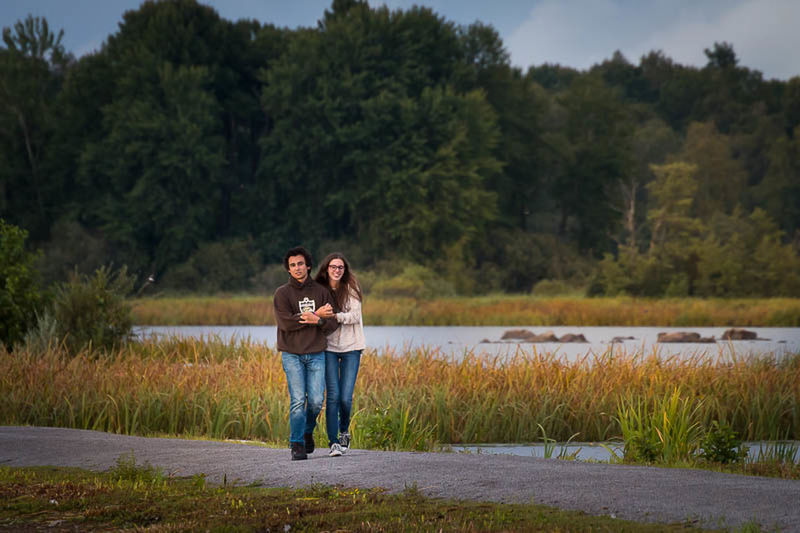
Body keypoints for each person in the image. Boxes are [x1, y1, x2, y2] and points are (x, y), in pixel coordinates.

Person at [273, 246, 339, 461]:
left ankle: (307, 430)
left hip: (316, 353)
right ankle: (297, 444)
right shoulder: (282, 293)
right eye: (292, 265)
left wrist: (318, 319)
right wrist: (312, 315)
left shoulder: (321, 291)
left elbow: (331, 323)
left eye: (300, 263)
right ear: (288, 270)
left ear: (308, 266)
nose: (297, 268)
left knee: (317, 401)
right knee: (298, 400)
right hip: (291, 353)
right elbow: (285, 322)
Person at [314, 253, 366, 457]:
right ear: (326, 269)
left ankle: (344, 431)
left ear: (345, 270)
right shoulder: (320, 290)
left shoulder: (351, 288)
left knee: (345, 397)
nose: (337, 270)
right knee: (333, 397)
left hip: (352, 346)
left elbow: (355, 316)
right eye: (333, 267)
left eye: (341, 267)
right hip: (328, 348)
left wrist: (334, 316)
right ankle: (334, 442)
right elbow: (315, 314)